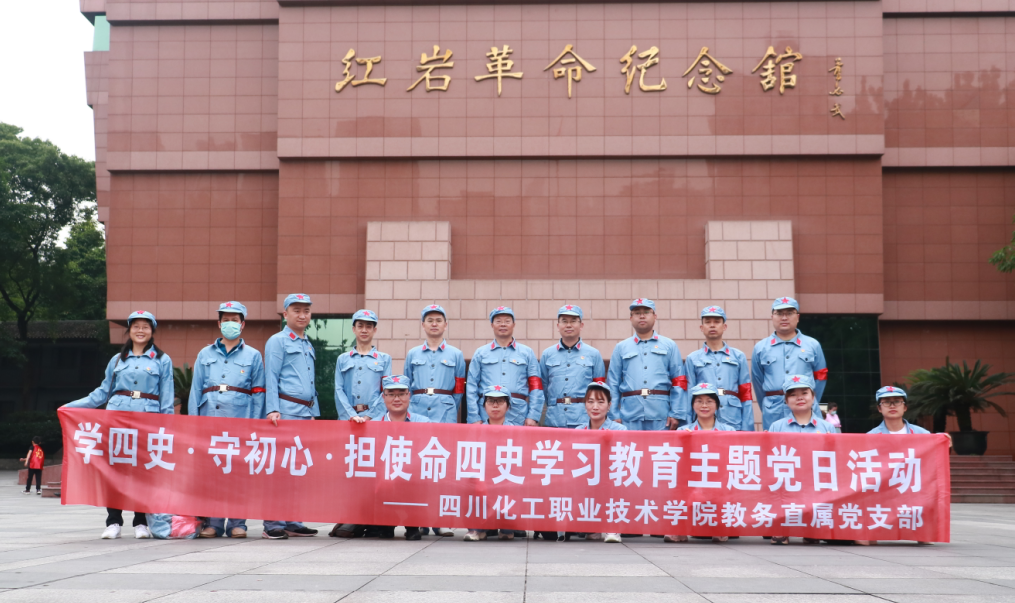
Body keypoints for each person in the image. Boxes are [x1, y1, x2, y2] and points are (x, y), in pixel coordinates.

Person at [64, 310, 174, 539]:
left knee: (143, 472)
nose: (140, 331)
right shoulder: (117, 360)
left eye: (145, 327)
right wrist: (71, 406)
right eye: (136, 326)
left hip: (147, 421)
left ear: (152, 331)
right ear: (129, 330)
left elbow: (166, 398)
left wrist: (167, 428)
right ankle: (113, 521)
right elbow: (102, 392)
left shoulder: (162, 360)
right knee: (115, 470)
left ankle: (140, 522)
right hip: (117, 420)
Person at [188, 301, 266, 538]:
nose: (229, 324)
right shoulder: (205, 354)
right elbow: (195, 390)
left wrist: (255, 425)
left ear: (242, 325)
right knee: (212, 473)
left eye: (234, 320)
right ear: (219, 323)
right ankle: (213, 523)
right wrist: (193, 423)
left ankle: (237, 523)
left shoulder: (253, 355)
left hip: (240, 421)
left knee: (237, 474)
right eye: (226, 320)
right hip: (210, 420)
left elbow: (258, 392)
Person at [404, 304, 465, 537]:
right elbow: (407, 386)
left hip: (444, 412)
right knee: (418, 466)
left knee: (442, 467)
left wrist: (449, 408)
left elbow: (458, 389)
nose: (434, 324)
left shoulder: (456, 355)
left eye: (438, 320)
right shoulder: (413, 354)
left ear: (445, 325)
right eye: (429, 320)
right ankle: (419, 518)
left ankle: (439, 520)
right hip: (418, 409)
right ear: (423, 325)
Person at [262, 294, 320, 540]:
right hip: (285, 412)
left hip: (305, 413)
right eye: (296, 310)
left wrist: (314, 412)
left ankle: (293, 521)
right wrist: (272, 408)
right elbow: (271, 376)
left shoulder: (307, 344)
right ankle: (273, 523)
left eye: (306, 311)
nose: (302, 315)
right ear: (285, 314)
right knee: (279, 470)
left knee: (297, 469)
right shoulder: (278, 341)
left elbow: (311, 383)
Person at [349, 375, 429, 541]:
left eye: (401, 394)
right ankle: (385, 523)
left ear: (409, 395)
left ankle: (412, 524)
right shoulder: (372, 425)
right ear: (383, 397)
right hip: (382, 479)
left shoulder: (424, 423)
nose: (396, 399)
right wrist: (354, 427)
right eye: (391, 394)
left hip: (412, 478)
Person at [864, 386, 944, 546]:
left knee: (926, 540)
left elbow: (934, 461)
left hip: (914, 488)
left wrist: (944, 443)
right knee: (867, 541)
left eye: (897, 401)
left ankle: (922, 531)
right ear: (879, 408)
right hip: (884, 490)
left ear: (905, 407)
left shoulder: (923, 435)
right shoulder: (870, 437)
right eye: (886, 402)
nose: (892, 406)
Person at [767, 374, 838, 545]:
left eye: (804, 393)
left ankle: (812, 526)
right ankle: (782, 527)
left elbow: (834, 458)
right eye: (793, 394)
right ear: (786, 401)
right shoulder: (777, 426)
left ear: (813, 397)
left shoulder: (827, 427)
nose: (799, 398)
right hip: (786, 482)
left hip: (816, 482)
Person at [665, 383, 736, 544]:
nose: (704, 405)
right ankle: (680, 528)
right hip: (692, 481)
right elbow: (677, 462)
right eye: (699, 401)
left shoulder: (729, 431)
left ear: (717, 405)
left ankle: (719, 526)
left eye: (709, 401)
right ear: (693, 405)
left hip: (719, 481)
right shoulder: (683, 431)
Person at [607, 298, 688, 430]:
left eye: (646, 312)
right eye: (637, 313)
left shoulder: (669, 346)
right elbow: (613, 383)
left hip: (661, 414)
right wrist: (613, 414)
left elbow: (679, 380)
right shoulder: (621, 347)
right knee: (631, 444)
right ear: (631, 318)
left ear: (655, 316)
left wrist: (676, 412)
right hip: (629, 415)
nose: (642, 316)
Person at [751, 297, 828, 431]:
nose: (784, 317)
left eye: (789, 313)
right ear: (772, 317)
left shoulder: (812, 345)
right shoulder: (760, 348)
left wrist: (808, 399)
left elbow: (821, 377)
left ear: (797, 317)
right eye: (779, 313)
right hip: (774, 409)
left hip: (806, 408)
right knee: (774, 443)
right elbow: (758, 381)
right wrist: (768, 403)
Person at [465, 306, 544, 427]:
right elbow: (471, 386)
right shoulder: (481, 353)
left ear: (514, 324)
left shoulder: (527, 353)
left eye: (507, 321)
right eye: (498, 321)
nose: (503, 324)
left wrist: (533, 415)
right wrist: (474, 416)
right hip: (487, 414)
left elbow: (536, 386)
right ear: (492, 325)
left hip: (519, 414)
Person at [464, 385, 522, 542]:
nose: (495, 405)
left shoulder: (517, 431)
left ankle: (506, 527)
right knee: (470, 487)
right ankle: (477, 529)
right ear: (484, 406)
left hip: (507, 479)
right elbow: (469, 460)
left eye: (500, 401)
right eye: (490, 401)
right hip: (482, 480)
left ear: (508, 406)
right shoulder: (475, 431)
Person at [684, 305, 754, 431]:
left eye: (717, 322)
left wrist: (747, 427)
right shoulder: (693, 358)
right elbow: (690, 394)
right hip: (704, 420)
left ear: (724, 326)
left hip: (733, 416)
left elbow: (746, 393)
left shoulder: (738, 356)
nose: (712, 325)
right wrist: (689, 424)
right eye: (707, 322)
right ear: (701, 327)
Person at [540, 305, 606, 429]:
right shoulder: (547, 354)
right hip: (554, 419)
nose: (569, 325)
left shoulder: (593, 354)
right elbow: (543, 387)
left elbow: (600, 389)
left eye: (573, 321)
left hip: (583, 419)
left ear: (581, 325)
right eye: (564, 321)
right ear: (558, 326)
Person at [576, 382, 625, 544]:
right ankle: (592, 525)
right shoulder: (578, 431)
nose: (595, 407)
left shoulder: (620, 430)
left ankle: (613, 526)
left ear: (609, 406)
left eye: (601, 402)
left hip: (611, 480)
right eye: (590, 402)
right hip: (587, 481)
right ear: (585, 405)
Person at [335, 309, 390, 421]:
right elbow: (338, 390)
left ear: (374, 330)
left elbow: (386, 391)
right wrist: (351, 415)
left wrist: (370, 416)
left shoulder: (384, 359)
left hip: (375, 419)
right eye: (360, 326)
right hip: (348, 418)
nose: (364, 330)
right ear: (354, 329)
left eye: (368, 326)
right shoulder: (343, 359)